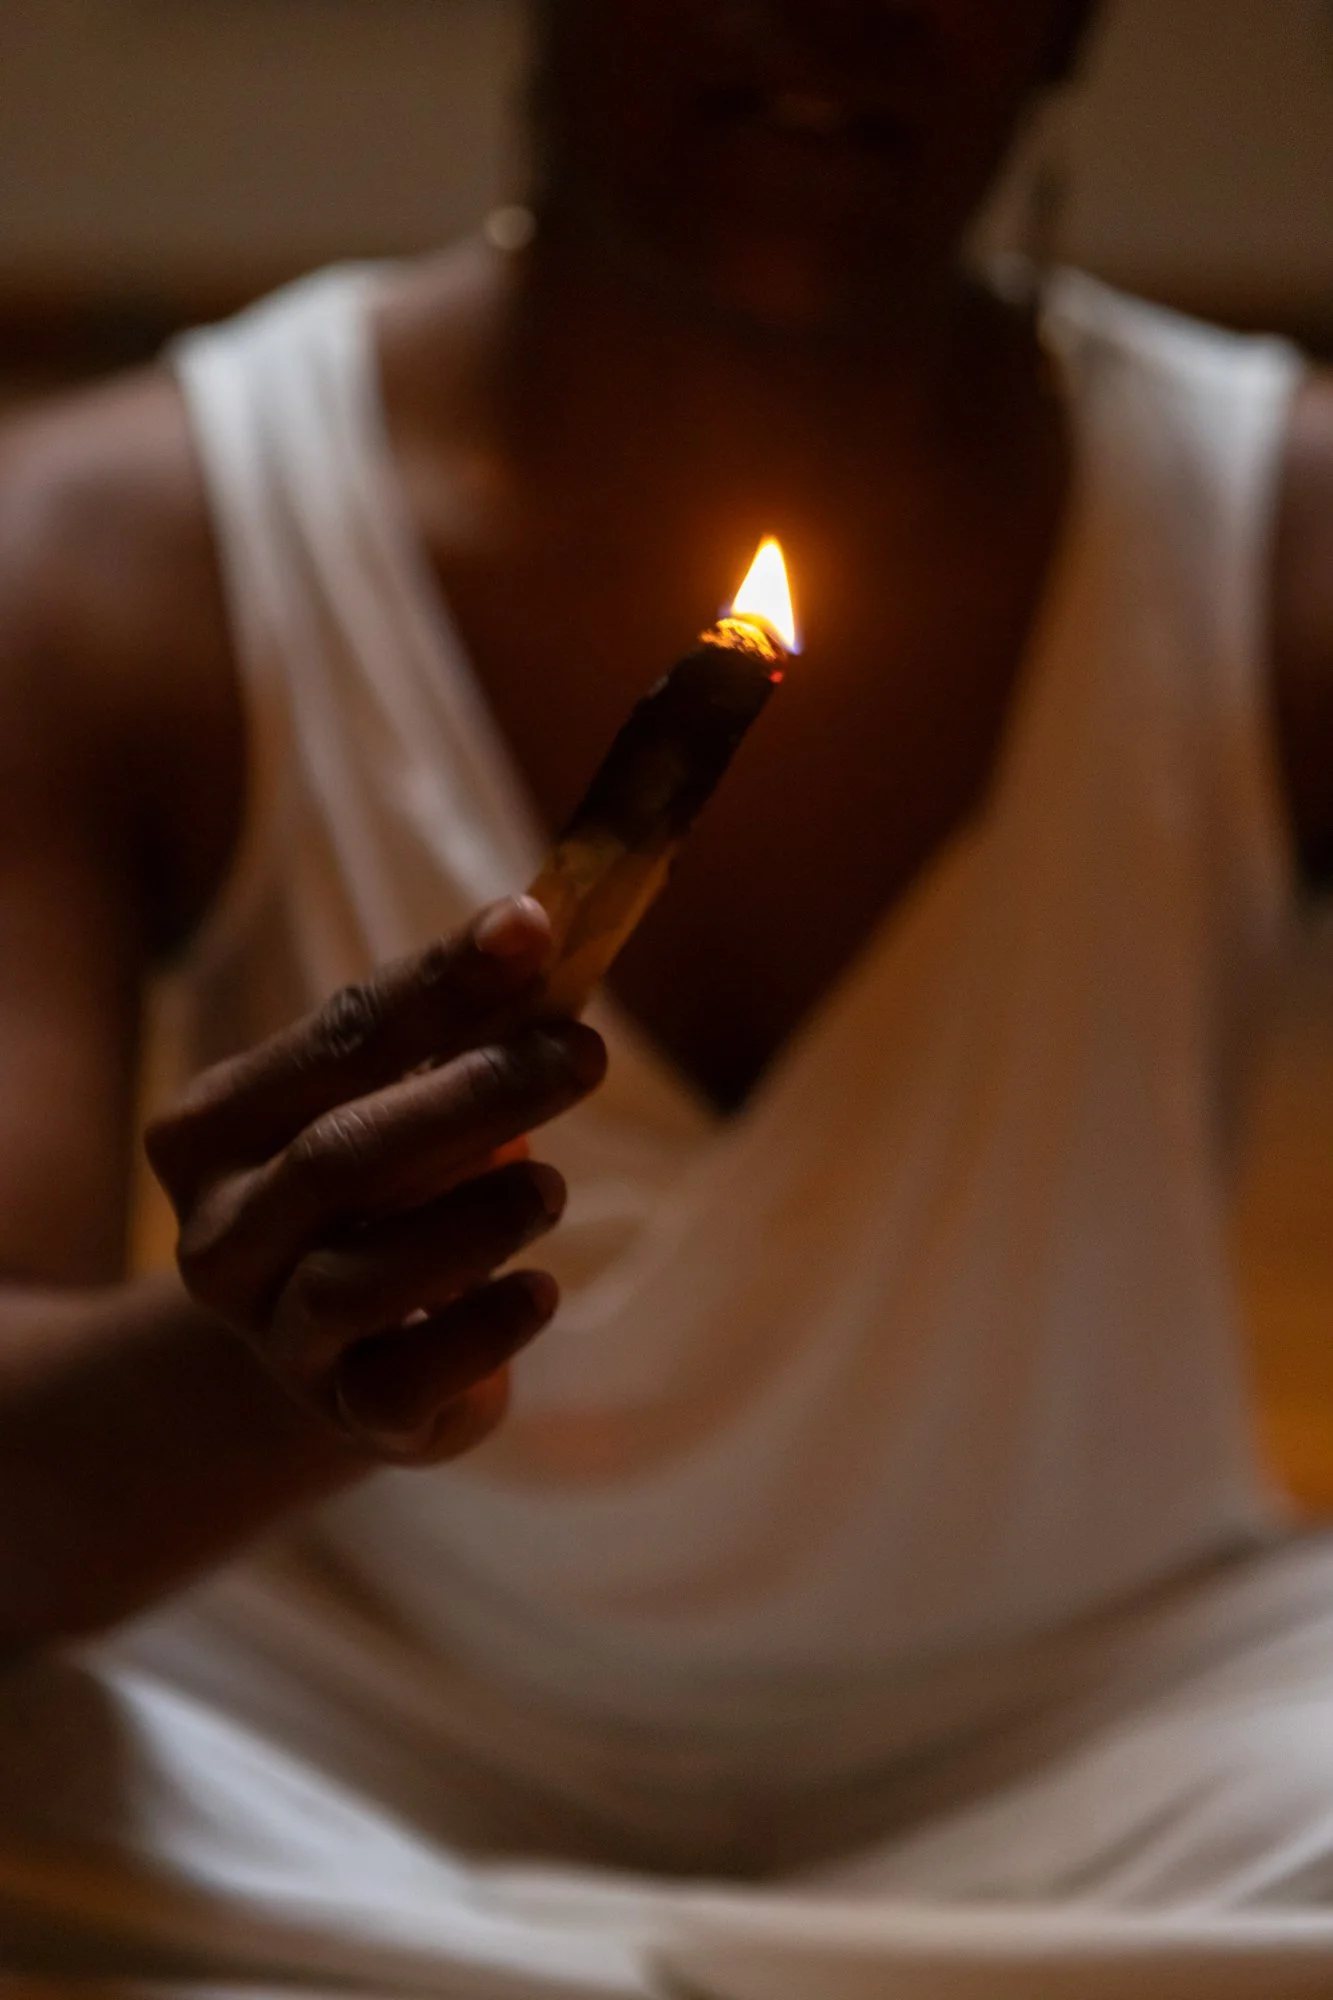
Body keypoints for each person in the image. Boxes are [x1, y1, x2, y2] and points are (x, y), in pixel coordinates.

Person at [3, 0, 1333, 1989]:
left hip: (1124, 1757)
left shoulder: (1282, 539)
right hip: (320, 1776)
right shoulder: (103, 551)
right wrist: (268, 1364)